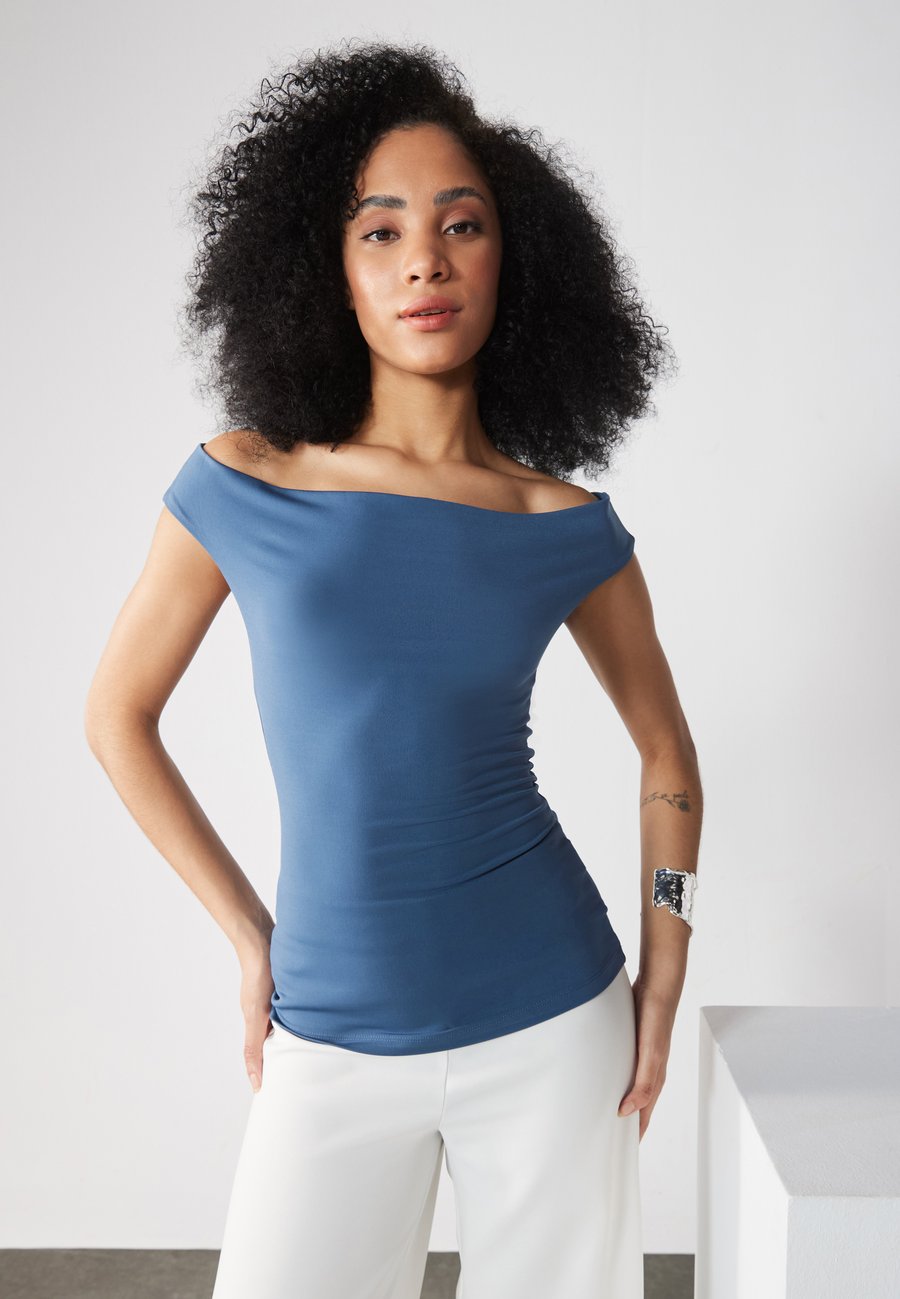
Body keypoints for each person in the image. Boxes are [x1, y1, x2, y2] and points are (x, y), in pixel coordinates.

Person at [85, 37, 701, 1299]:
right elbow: (117, 716)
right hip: (326, 1026)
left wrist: (664, 970)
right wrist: (248, 936)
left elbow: (665, 755)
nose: (425, 259)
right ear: (329, 271)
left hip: (553, 1016)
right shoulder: (244, 483)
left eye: (461, 225)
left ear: (515, 262)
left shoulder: (562, 524)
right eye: (381, 231)